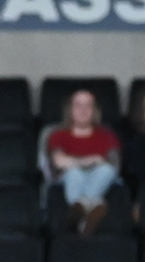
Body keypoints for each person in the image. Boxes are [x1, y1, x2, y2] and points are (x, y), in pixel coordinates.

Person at [40, 86, 123, 233]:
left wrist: (76, 161)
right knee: (74, 172)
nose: (83, 110)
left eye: (88, 105)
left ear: (94, 110)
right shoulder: (58, 134)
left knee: (105, 170)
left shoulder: (107, 135)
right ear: (70, 109)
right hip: (68, 177)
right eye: (78, 105)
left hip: (100, 176)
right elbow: (59, 161)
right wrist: (90, 160)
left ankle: (80, 214)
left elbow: (114, 166)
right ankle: (91, 207)